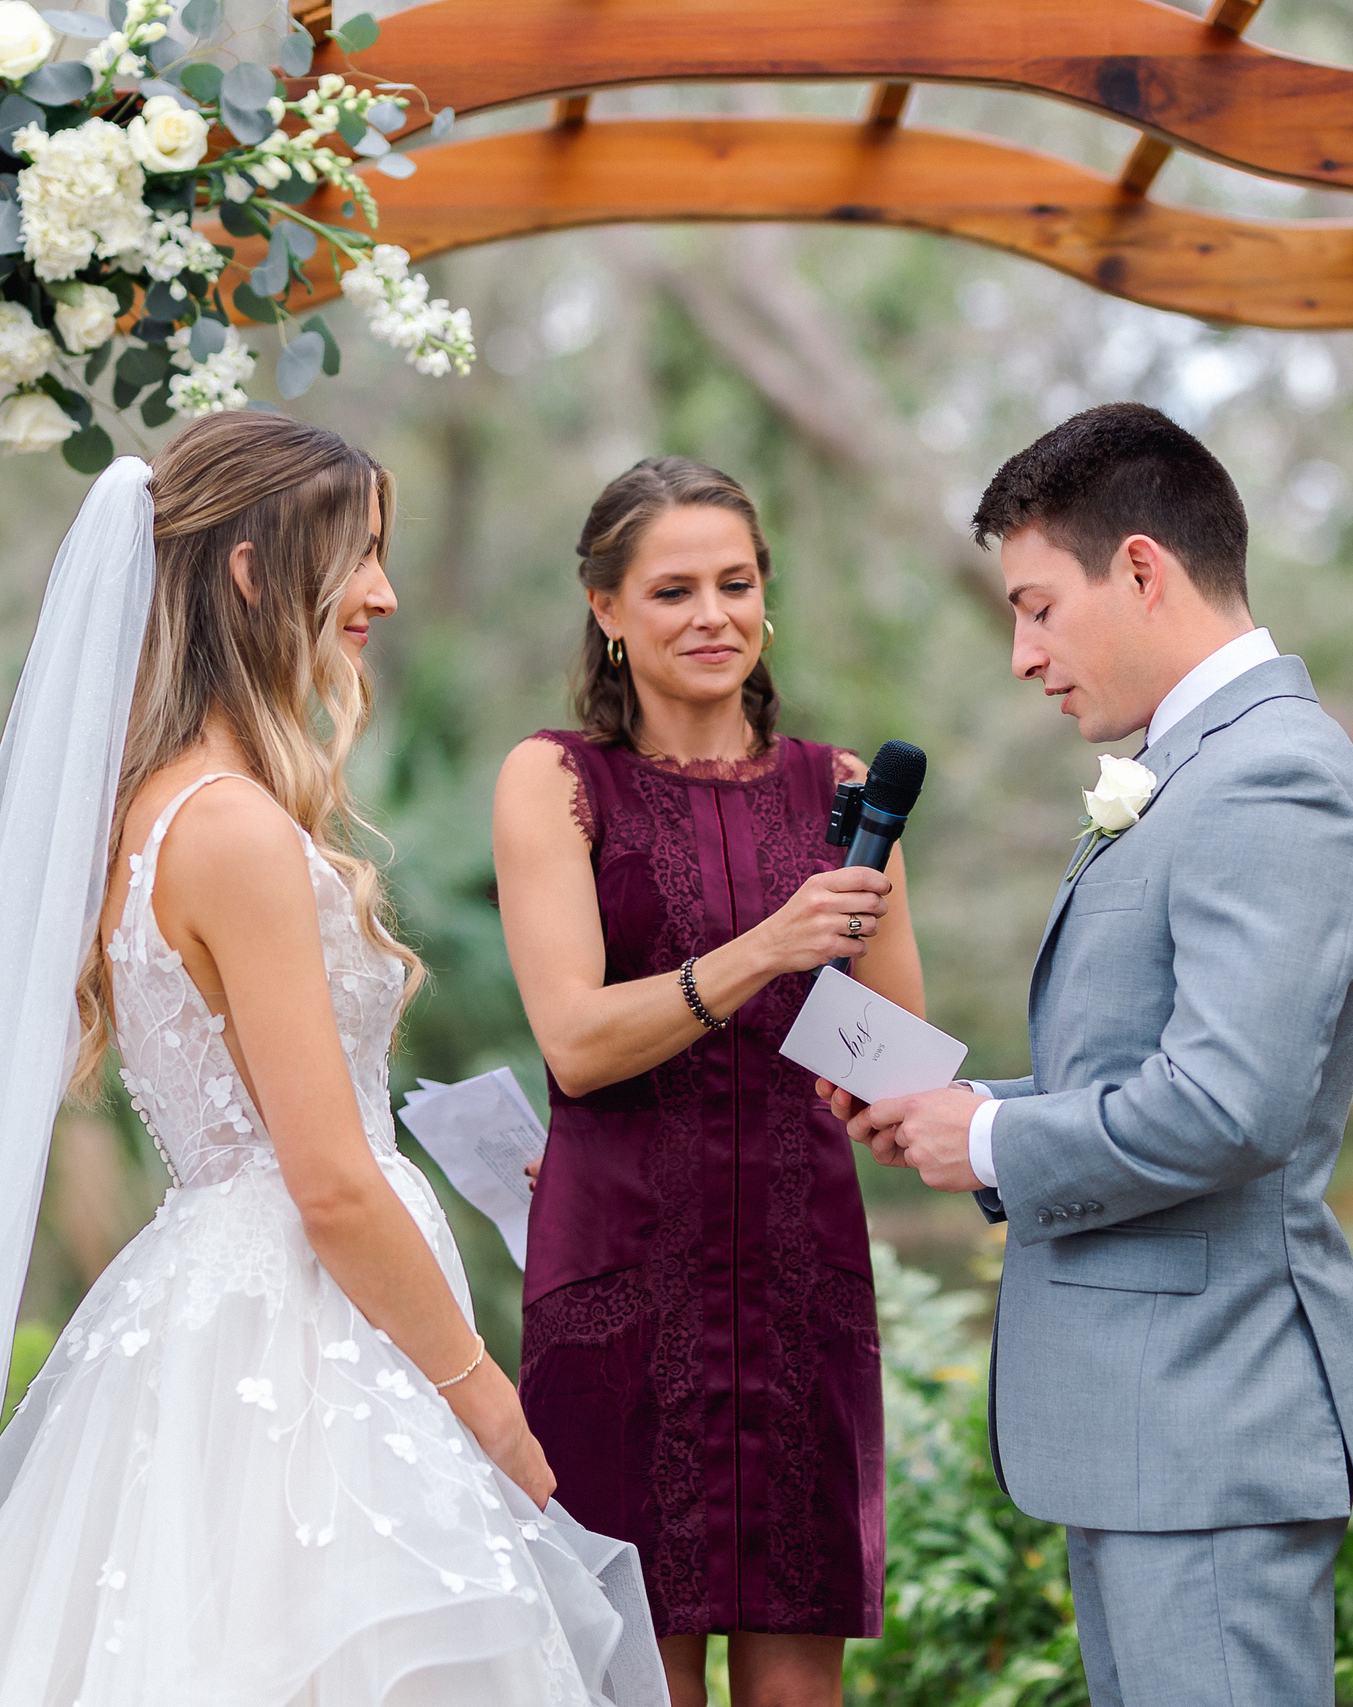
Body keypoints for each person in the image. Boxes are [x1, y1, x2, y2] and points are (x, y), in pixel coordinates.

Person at [0, 414, 664, 1707]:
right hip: (300, 1336)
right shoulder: (230, 829)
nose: (384, 593)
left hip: (238, 1302)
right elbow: (334, 1182)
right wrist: (487, 1401)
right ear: (250, 570)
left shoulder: (163, 805)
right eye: (357, 555)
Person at [840, 403, 1353, 1707]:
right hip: (1160, 1433)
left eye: (1037, 607)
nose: (1024, 654)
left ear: (1141, 567)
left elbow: (1228, 1102)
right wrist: (981, 1103)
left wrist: (988, 1140)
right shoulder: (1197, 763)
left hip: (1211, 1420)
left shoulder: (1270, 780)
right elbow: (1165, 1059)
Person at [492, 457, 922, 1707]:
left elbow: (892, 1053)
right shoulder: (555, 779)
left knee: (799, 1684)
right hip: (622, 1276)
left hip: (798, 1277)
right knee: (636, 1675)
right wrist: (768, 949)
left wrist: (893, 1094)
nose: (711, 615)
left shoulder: (843, 794)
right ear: (606, 609)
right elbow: (571, 1040)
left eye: (735, 583)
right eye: (672, 589)